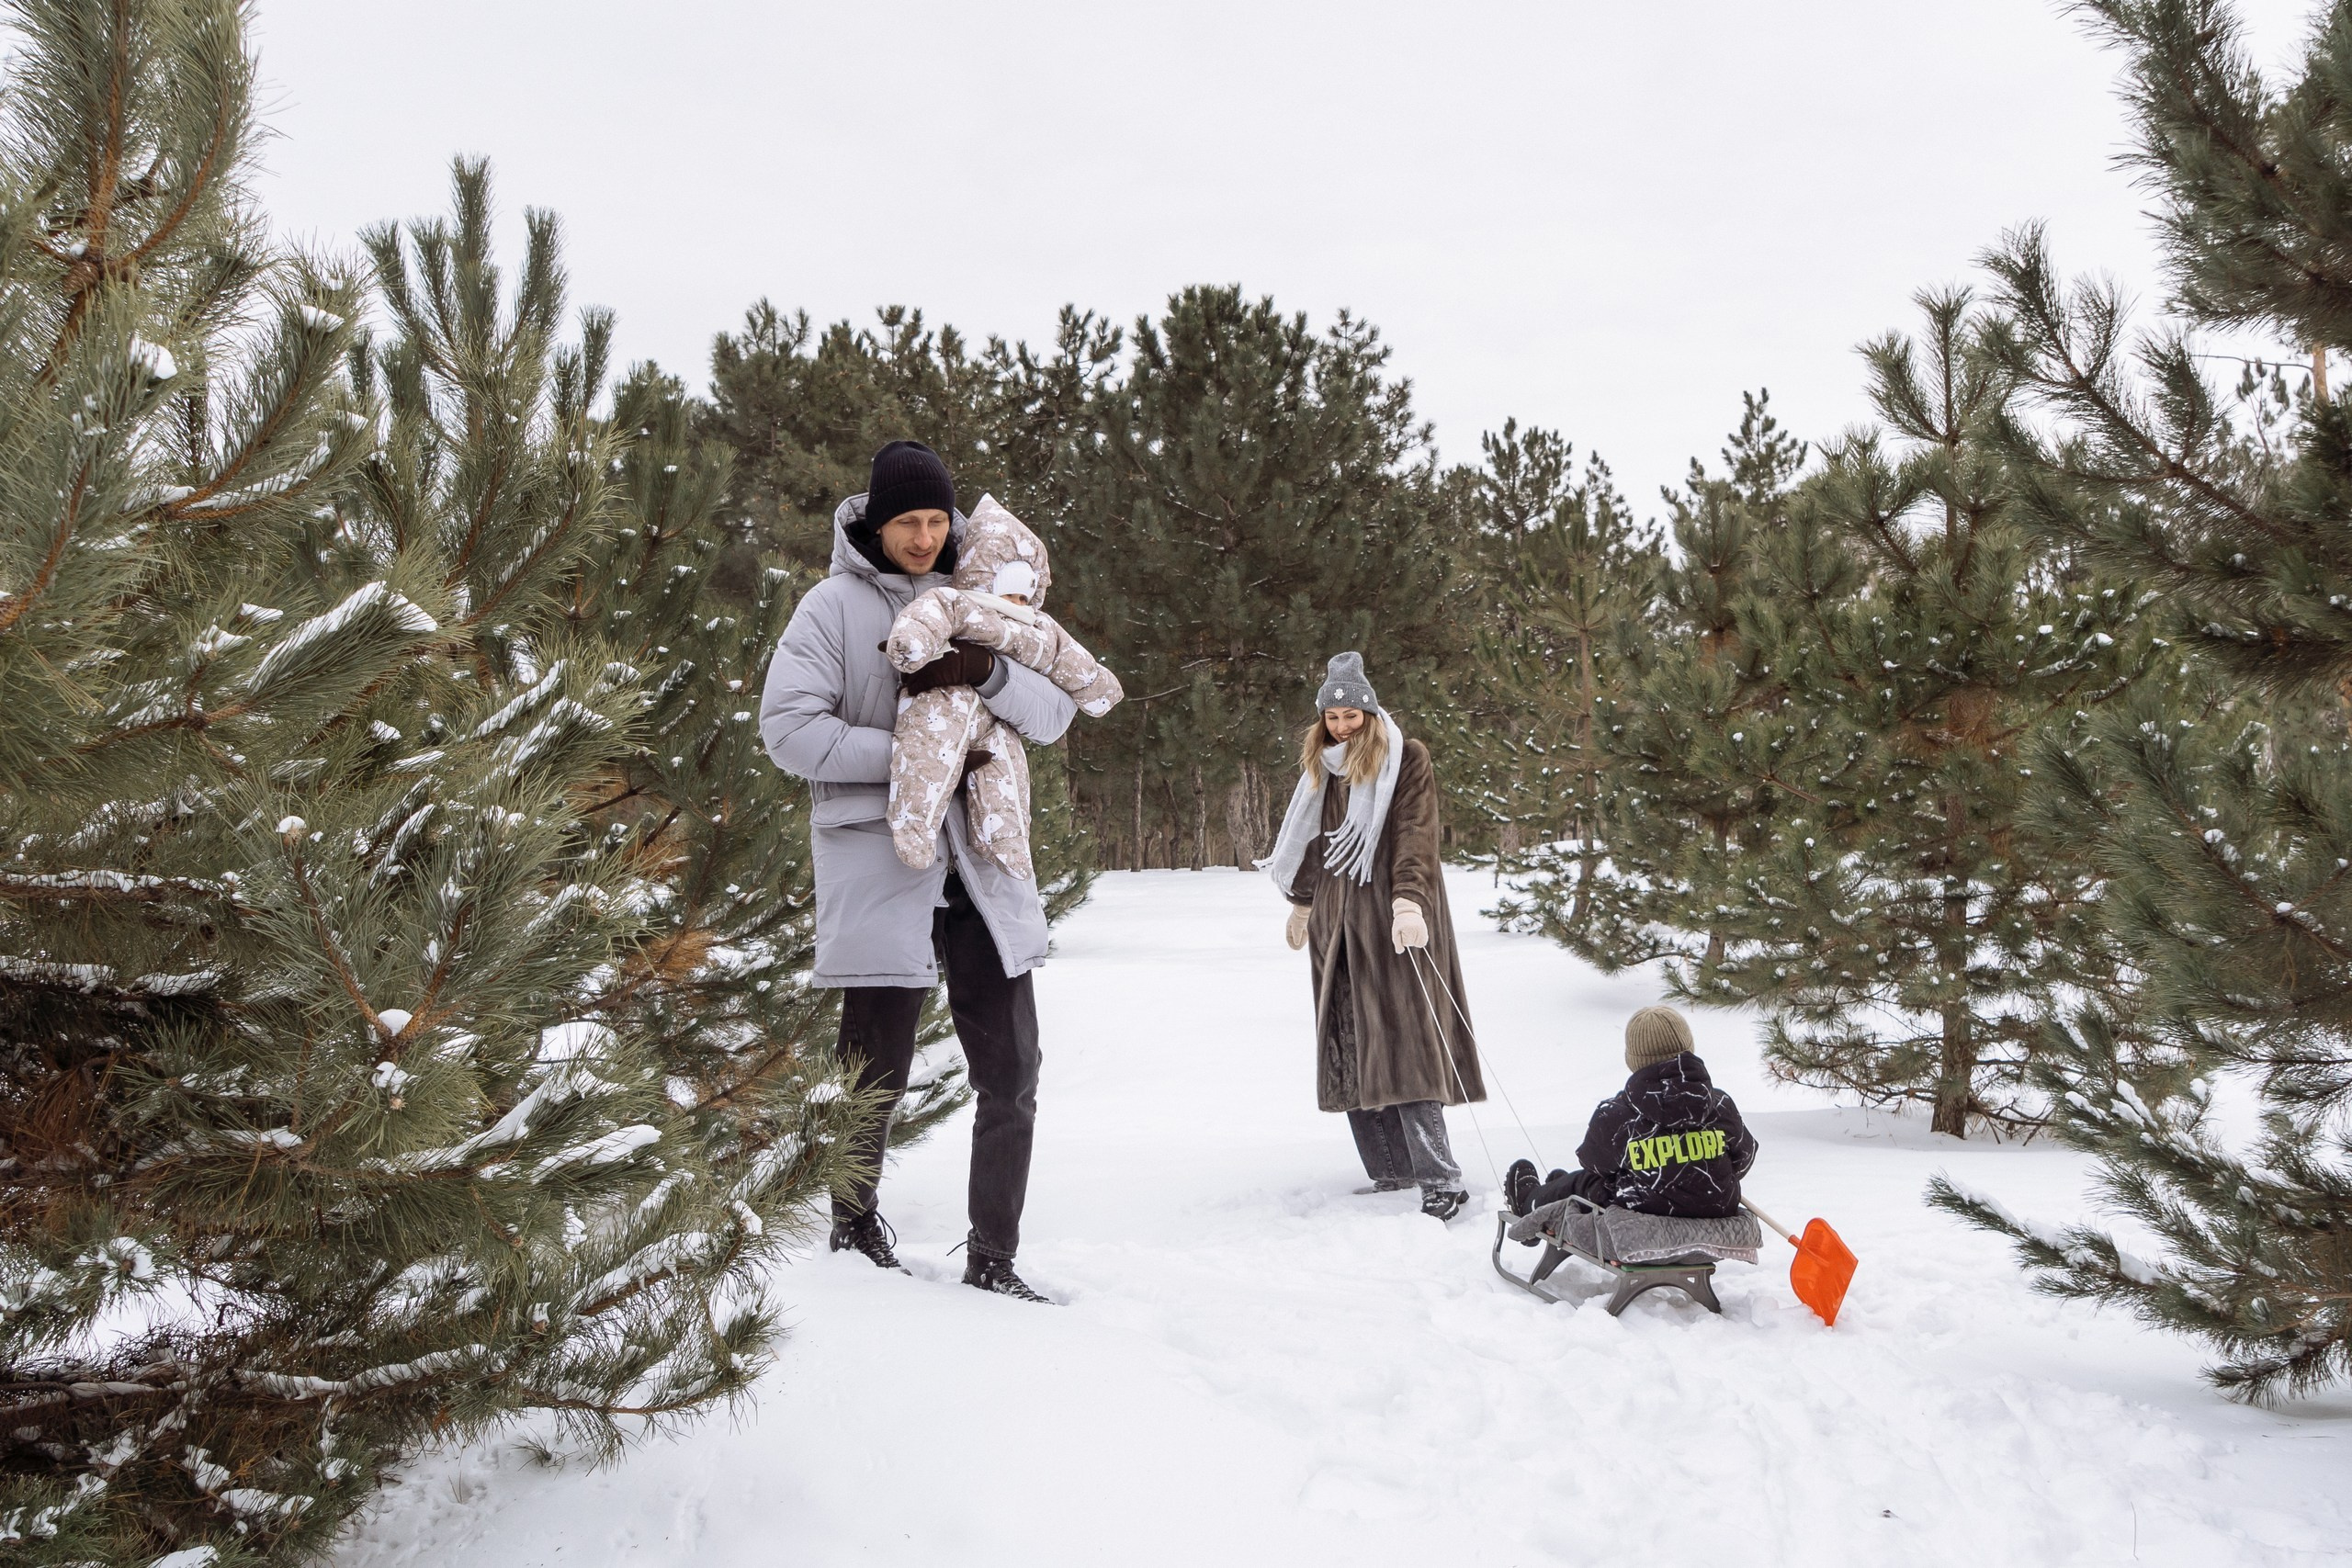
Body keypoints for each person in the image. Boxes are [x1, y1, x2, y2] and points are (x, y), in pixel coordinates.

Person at [759, 439, 1076, 1303]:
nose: (925, 537)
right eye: (909, 522)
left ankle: (994, 1254)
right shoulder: (830, 609)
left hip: (982, 863)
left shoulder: (984, 596)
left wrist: (992, 670)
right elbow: (789, 729)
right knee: (874, 1070)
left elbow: (1054, 713)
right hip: (881, 857)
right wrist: (918, 755)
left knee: (1013, 1068)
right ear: (875, 521)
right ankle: (853, 1230)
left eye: (938, 521)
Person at [1263, 652, 1486, 1220]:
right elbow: (1312, 840)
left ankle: (1441, 1179)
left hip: (1392, 918)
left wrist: (1409, 901)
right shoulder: (1322, 766)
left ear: (1368, 711)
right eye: (1332, 716)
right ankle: (1390, 1171)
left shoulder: (1404, 758)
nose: (1342, 726)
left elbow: (1416, 833)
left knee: (1405, 1041)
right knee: (1350, 1040)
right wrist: (1302, 902)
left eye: (1351, 715)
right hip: (1336, 924)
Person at [882, 492, 1123, 879]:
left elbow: (1068, 657)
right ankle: (914, 825)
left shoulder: (1038, 626)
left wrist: (1097, 687)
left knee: (1005, 770)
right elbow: (928, 616)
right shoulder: (961, 603)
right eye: (1007, 590)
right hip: (950, 699)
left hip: (998, 719)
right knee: (929, 747)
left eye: (1023, 593)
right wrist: (913, 644)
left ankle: (1007, 848)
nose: (1015, 601)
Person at [1503, 1005, 1758, 1232]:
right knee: (1591, 1181)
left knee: (1585, 1182)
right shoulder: (1721, 1104)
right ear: (1689, 1048)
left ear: (1634, 1061)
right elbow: (1744, 1157)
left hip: (1641, 1218)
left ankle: (1530, 1203)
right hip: (1714, 1208)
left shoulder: (1616, 1114)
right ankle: (1557, 1192)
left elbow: (1593, 1163)